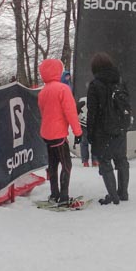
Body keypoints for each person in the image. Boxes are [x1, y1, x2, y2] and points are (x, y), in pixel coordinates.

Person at [85, 52, 132, 206]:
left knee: (105, 162)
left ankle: (113, 196)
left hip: (103, 130)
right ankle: (123, 192)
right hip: (120, 128)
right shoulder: (120, 80)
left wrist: (90, 134)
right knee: (121, 159)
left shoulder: (95, 85)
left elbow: (92, 113)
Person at [37, 58, 82, 204]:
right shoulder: (63, 89)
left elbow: (44, 112)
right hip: (59, 134)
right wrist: (78, 132)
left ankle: (54, 193)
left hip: (46, 134)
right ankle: (63, 196)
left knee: (53, 165)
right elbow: (71, 113)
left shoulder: (43, 92)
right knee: (66, 165)